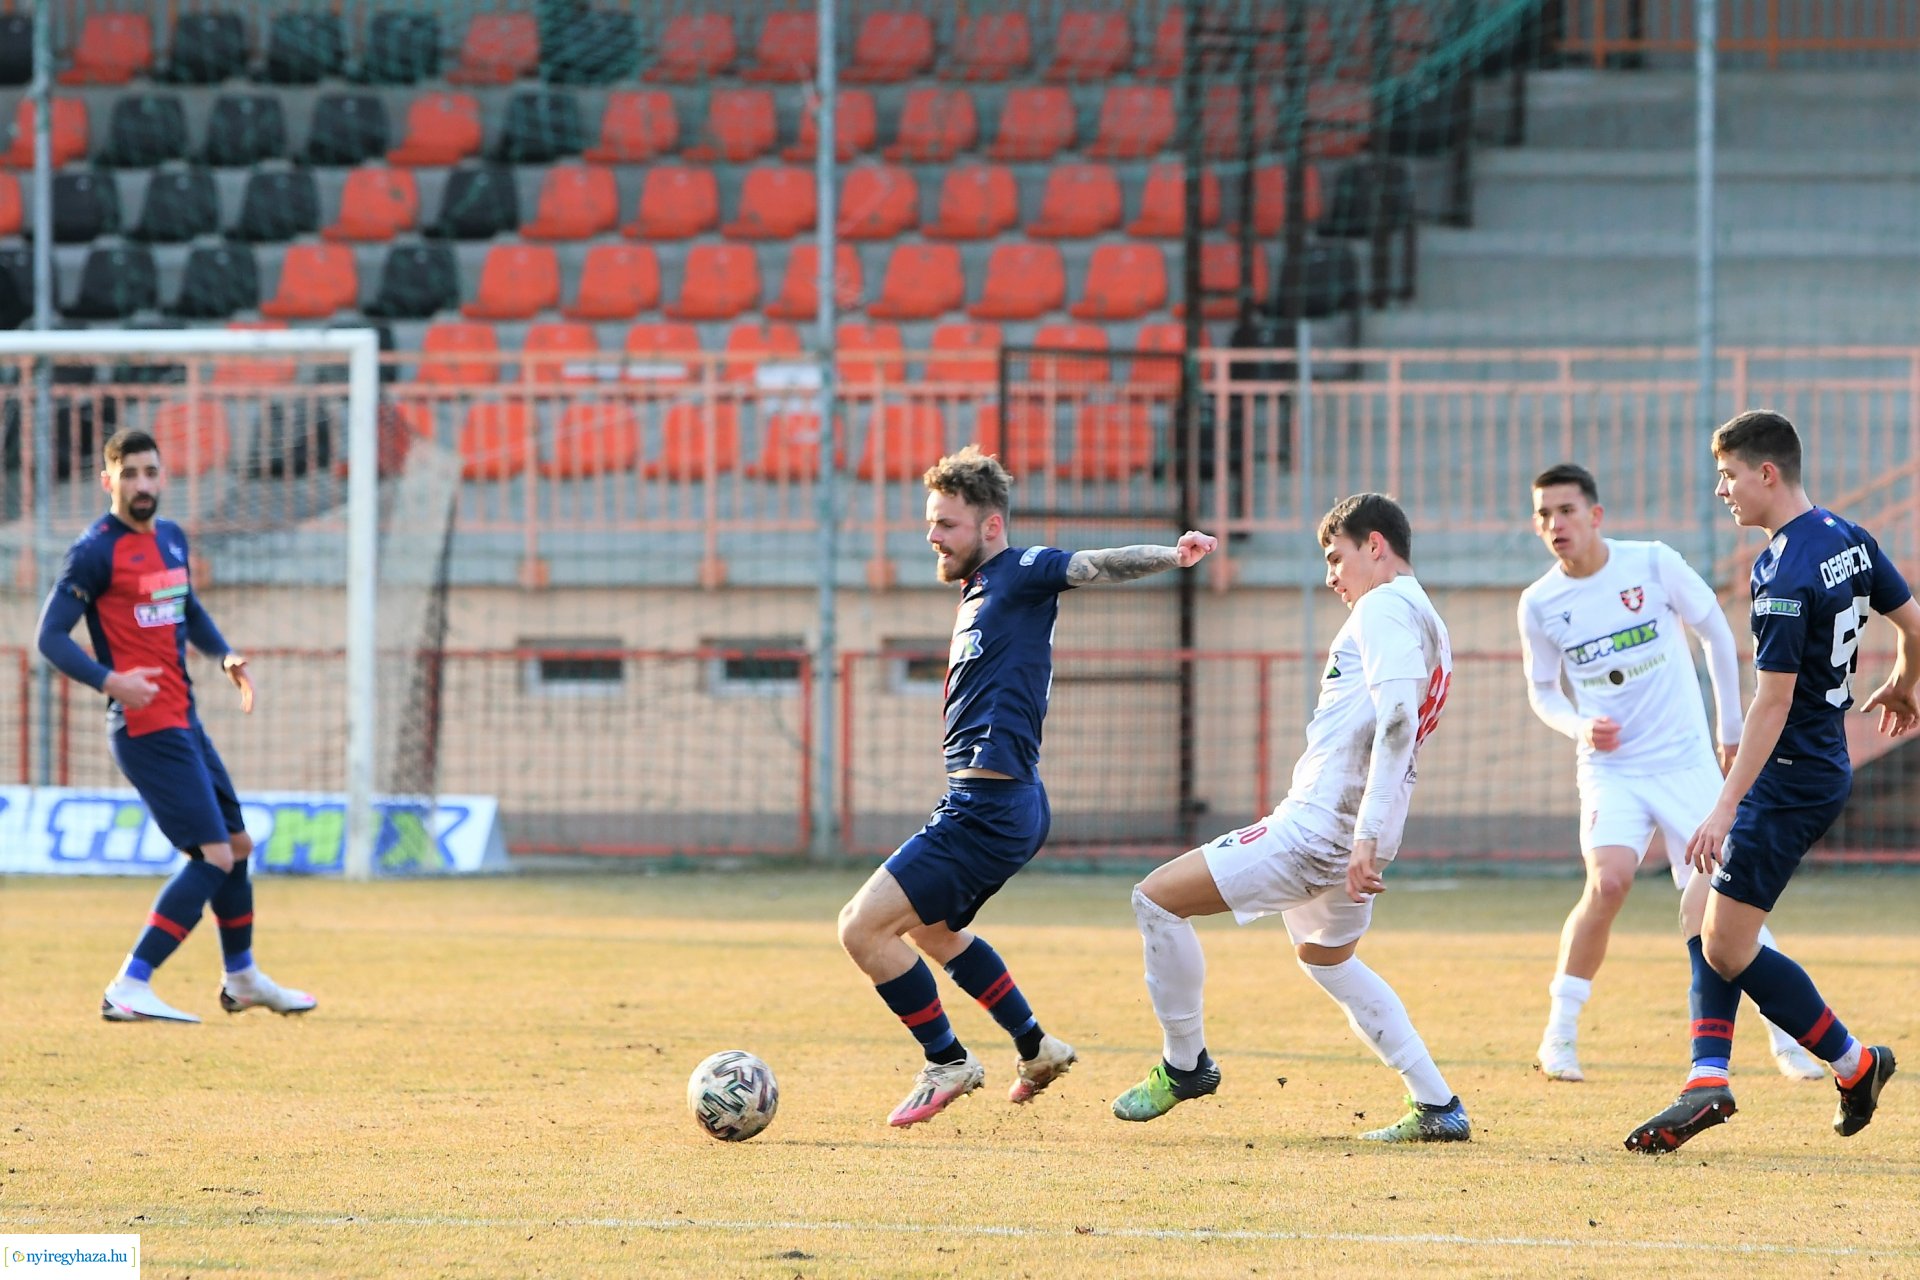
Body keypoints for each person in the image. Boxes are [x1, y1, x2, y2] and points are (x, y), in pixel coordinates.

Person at [837, 445, 1216, 1128]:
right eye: (931, 522)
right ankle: (1036, 1046)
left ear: (988, 527)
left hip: (988, 807)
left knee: (861, 930)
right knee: (932, 929)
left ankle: (946, 1059)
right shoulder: (980, 591)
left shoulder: (1017, 571)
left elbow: (1090, 565)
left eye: (946, 524)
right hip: (1000, 801)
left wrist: (1170, 554)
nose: (932, 537)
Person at [1112, 493, 1470, 1143]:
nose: (1331, 575)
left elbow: (1395, 721)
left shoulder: (1384, 606)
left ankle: (1184, 1064)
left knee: (1156, 900)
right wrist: (1375, 834)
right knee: (1325, 957)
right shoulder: (1429, 618)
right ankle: (1438, 1105)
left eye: (1337, 558)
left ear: (1375, 546)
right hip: (1355, 829)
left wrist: (1364, 833)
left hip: (1321, 828)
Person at [1626, 410, 1920, 1153]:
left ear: (1766, 473)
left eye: (1728, 474)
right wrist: (1906, 681)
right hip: (1812, 764)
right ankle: (1709, 1076)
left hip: (1789, 777)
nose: (1720, 489)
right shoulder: (1847, 537)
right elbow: (1916, 625)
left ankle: (1853, 1063)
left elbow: (1773, 698)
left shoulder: (1782, 570)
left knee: (1726, 945)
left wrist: (1725, 805)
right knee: (1700, 905)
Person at [1519, 463, 1823, 1083]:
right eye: (1546, 514)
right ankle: (1560, 1034)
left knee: (1725, 896)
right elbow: (1543, 692)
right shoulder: (1540, 603)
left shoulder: (1652, 563)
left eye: (1568, 510)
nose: (1557, 524)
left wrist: (1730, 729)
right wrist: (1578, 725)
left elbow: (1715, 632)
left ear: (1595, 515)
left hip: (1685, 761)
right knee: (1607, 885)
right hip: (1612, 769)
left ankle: (1786, 1039)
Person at [36, 428, 316, 1024]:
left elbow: (187, 607)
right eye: (129, 473)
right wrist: (110, 681)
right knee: (212, 855)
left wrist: (225, 656)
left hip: (183, 720)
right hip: (143, 729)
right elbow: (49, 637)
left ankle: (241, 978)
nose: (141, 484)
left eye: (150, 472)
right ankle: (129, 985)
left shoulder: (171, 538)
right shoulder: (94, 551)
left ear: (164, 477)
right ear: (107, 480)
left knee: (237, 848)